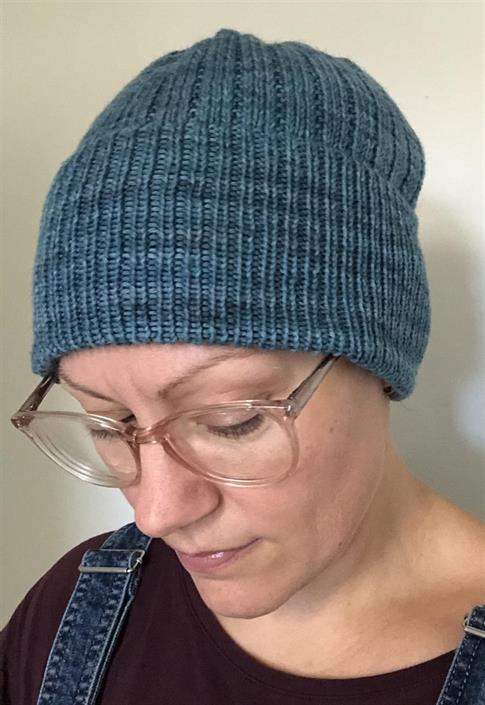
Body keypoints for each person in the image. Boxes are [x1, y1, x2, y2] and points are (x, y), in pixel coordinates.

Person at [1, 26, 484, 705]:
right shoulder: (74, 612)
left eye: (231, 421)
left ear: (377, 361)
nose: (157, 513)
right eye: (109, 424)